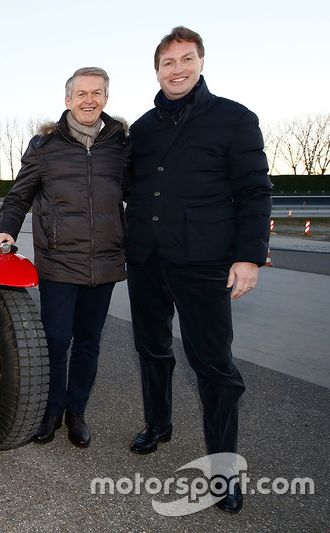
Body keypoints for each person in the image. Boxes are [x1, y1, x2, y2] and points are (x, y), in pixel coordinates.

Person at [125, 27, 272, 513]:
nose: (178, 69)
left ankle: (224, 467)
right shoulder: (142, 130)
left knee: (213, 365)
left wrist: (248, 256)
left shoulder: (233, 118)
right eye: (168, 62)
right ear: (157, 69)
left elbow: (254, 190)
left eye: (186, 59)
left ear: (201, 62)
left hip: (205, 260)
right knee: (151, 348)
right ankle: (158, 424)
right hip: (147, 258)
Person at [0, 67, 128, 448]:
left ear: (105, 98)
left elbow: (142, 194)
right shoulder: (44, 147)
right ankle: (51, 411)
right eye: (81, 93)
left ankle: (76, 413)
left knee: (89, 342)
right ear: (67, 100)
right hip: (59, 262)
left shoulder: (121, 144)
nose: (89, 100)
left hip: (105, 262)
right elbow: (19, 196)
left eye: (96, 93)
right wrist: (6, 229)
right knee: (54, 340)